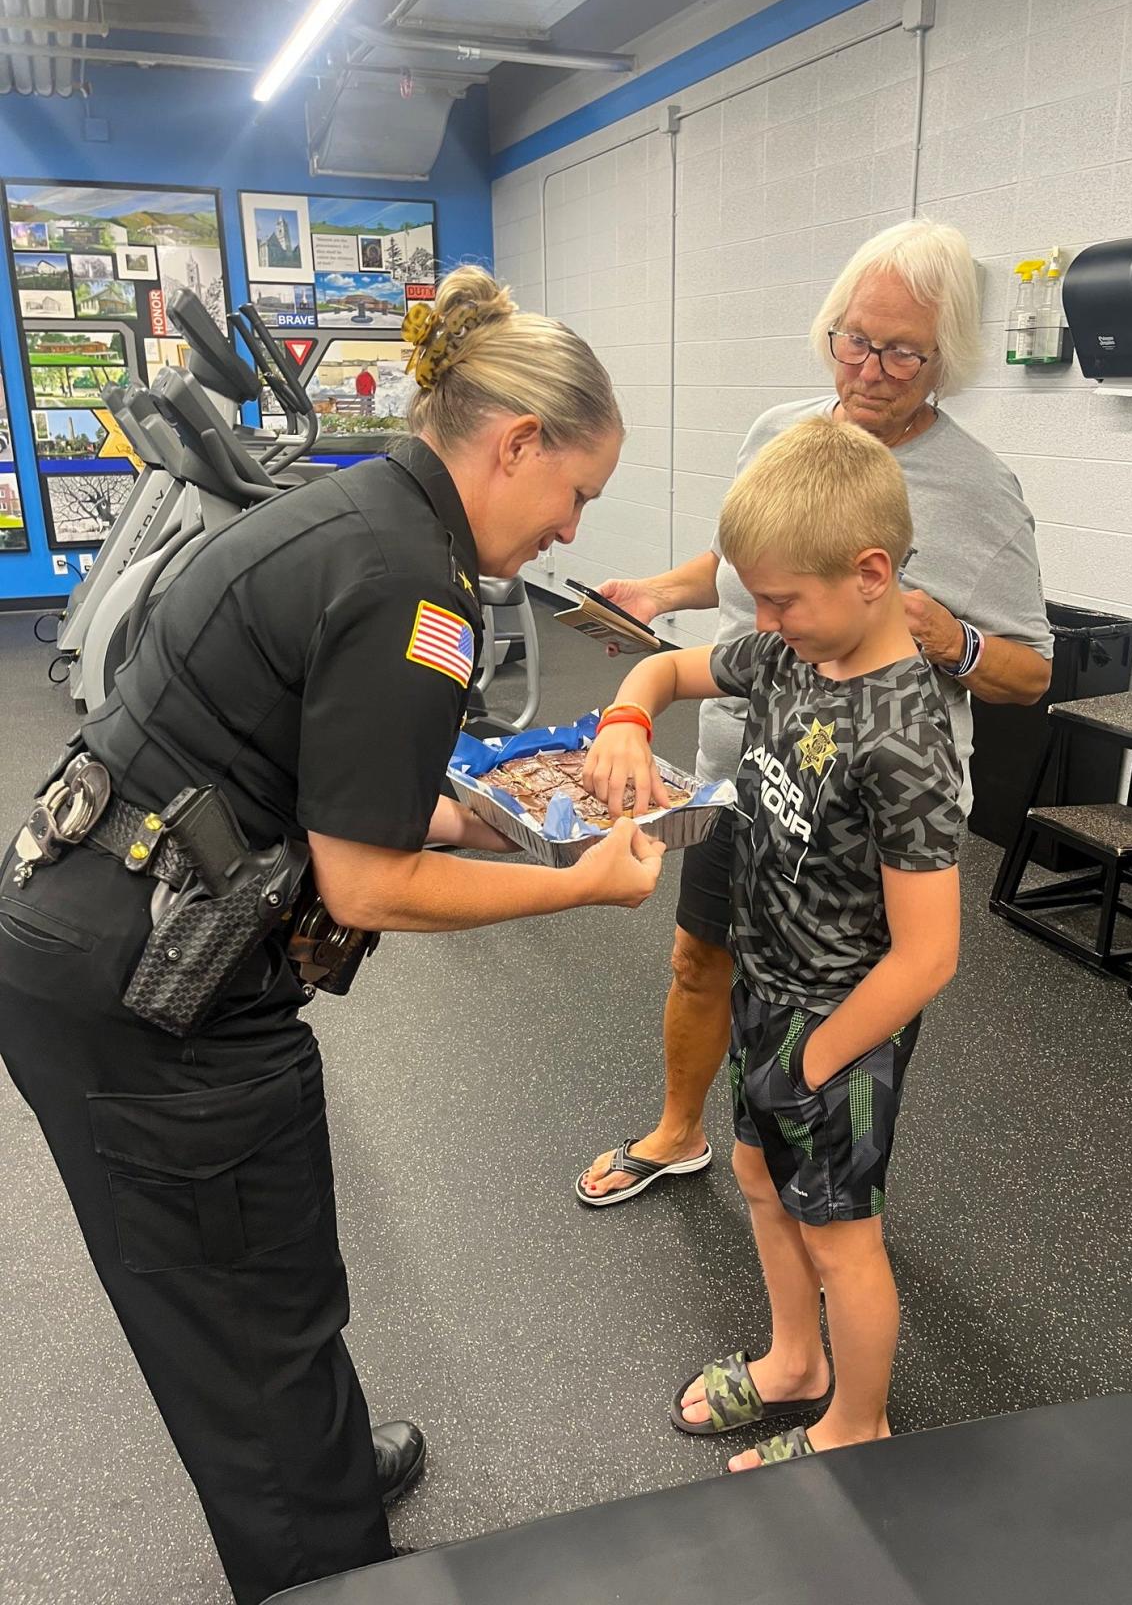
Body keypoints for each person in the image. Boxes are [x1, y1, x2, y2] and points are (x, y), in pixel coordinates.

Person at [0, 268, 664, 1605]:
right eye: (574, 494)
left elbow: (324, 777)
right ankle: (324, 1566)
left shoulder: (354, 512)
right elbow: (366, 887)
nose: (567, 528)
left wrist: (489, 821)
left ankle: (327, 1470)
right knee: (244, 1308)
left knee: (268, 1272)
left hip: (114, 925)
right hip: (145, 996)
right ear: (517, 440)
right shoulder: (418, 596)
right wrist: (578, 886)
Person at [579, 218, 1052, 1206]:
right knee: (703, 957)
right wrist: (663, 595)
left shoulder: (981, 493)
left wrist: (951, 640)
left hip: (864, 801)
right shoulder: (780, 432)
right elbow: (740, 564)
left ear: (946, 358)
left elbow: (1031, 673)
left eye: (901, 351)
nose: (868, 369)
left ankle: (831, 1191)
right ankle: (682, 1135)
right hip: (743, 768)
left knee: (839, 1011)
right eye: (852, 338)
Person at [583, 415, 961, 1464]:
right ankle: (795, 1363)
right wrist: (623, 716)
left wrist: (821, 1057)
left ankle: (854, 1430)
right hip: (767, 986)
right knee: (757, 1179)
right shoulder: (795, 656)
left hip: (842, 1026)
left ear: (872, 573)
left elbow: (930, 956)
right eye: (760, 599)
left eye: (784, 599)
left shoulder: (904, 738)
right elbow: (665, 673)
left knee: (846, 1242)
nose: (769, 618)